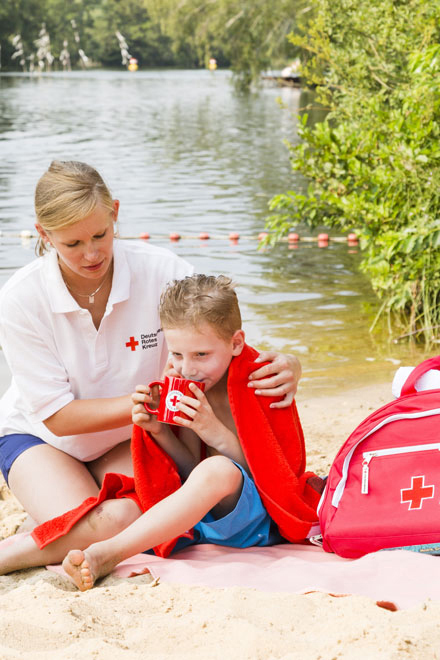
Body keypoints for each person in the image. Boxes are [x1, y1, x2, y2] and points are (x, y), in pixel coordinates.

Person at [0, 160, 302, 560]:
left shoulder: (161, 271)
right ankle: (34, 531)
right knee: (89, 523)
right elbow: (57, 417)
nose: (91, 253)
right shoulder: (22, 297)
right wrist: (145, 406)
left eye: (100, 234)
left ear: (116, 214)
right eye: (72, 244)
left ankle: (45, 527)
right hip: (42, 440)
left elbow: (216, 336)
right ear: (44, 234)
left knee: (141, 516)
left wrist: (288, 364)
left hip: (132, 437)